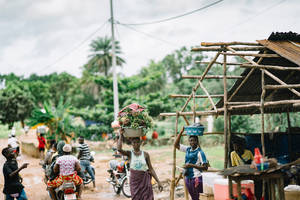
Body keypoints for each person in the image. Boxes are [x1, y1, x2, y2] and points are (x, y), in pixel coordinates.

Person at [117, 129, 163, 200]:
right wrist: (120, 135)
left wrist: (159, 182)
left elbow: (151, 169)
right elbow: (119, 149)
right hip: (135, 182)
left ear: (140, 143)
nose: (136, 144)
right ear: (131, 143)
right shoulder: (129, 154)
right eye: (134, 142)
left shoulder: (145, 154)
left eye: (137, 142)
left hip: (145, 182)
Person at [174, 131, 208, 200]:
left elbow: (205, 167)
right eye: (190, 141)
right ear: (188, 142)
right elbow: (176, 145)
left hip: (196, 178)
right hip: (188, 178)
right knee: (193, 197)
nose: (192, 142)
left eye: (194, 140)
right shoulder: (188, 149)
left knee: (198, 198)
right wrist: (181, 131)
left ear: (197, 141)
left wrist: (191, 165)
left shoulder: (200, 152)